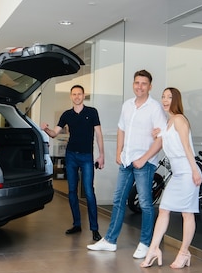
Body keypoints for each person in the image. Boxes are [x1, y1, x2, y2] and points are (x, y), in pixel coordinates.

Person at [87, 70, 166, 259]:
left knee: (146, 204)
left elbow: (161, 138)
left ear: (150, 86)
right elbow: (121, 129)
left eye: (144, 83)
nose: (140, 86)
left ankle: (146, 243)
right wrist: (118, 152)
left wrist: (144, 158)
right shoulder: (127, 105)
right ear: (133, 84)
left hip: (144, 164)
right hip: (126, 160)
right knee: (118, 200)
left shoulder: (155, 107)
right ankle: (110, 241)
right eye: (137, 82)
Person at [140, 87, 202, 269]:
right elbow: (166, 138)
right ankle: (153, 249)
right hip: (177, 174)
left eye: (169, 97)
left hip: (187, 171)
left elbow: (186, 147)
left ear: (176, 100)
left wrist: (195, 170)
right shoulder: (169, 122)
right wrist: (157, 134)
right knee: (164, 209)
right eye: (163, 97)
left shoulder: (180, 119)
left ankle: (184, 253)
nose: (165, 100)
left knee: (187, 213)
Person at [41, 84, 105, 242]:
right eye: (74, 94)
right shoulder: (67, 115)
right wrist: (46, 130)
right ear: (71, 96)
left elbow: (98, 134)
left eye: (79, 94)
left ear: (83, 96)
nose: (77, 96)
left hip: (87, 157)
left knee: (89, 192)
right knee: (71, 191)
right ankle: (77, 224)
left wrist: (101, 154)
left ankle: (94, 229)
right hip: (71, 156)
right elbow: (55, 133)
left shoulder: (92, 112)